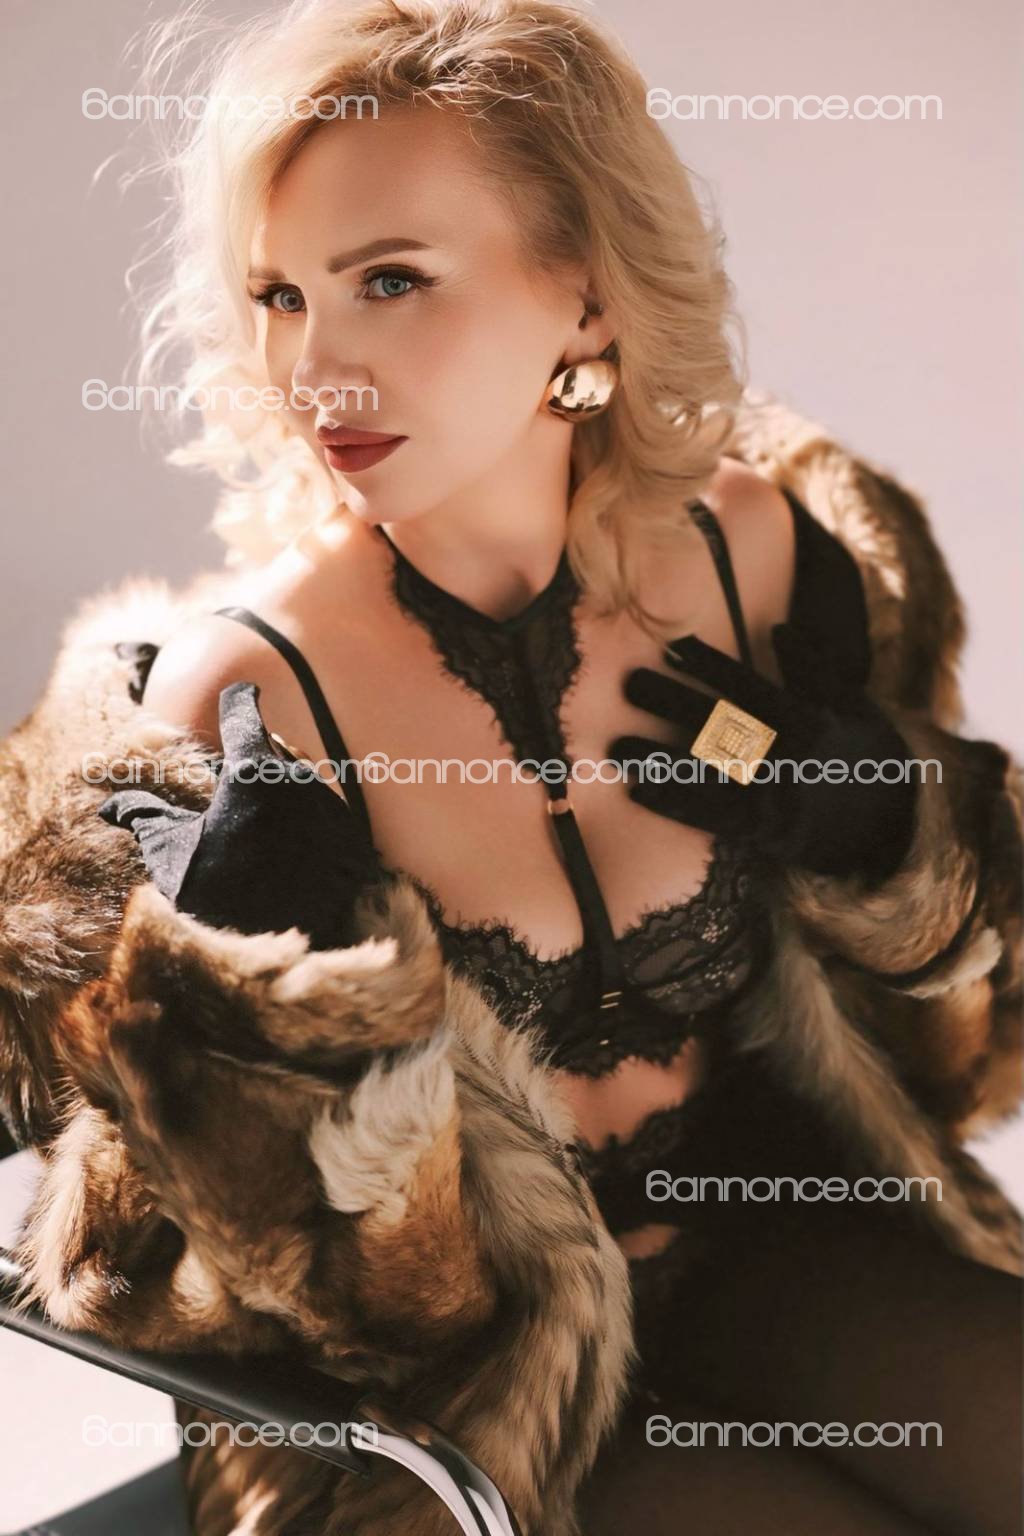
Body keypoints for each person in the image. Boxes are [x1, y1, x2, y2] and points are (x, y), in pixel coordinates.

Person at [2, 2, 1020, 1532]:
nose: (316, 364)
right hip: (446, 1405)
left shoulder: (757, 555)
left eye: (390, 281)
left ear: (589, 297)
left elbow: (966, 1060)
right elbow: (158, 1280)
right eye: (280, 295)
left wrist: (895, 834)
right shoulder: (244, 695)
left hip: (772, 1251)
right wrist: (252, 1037)